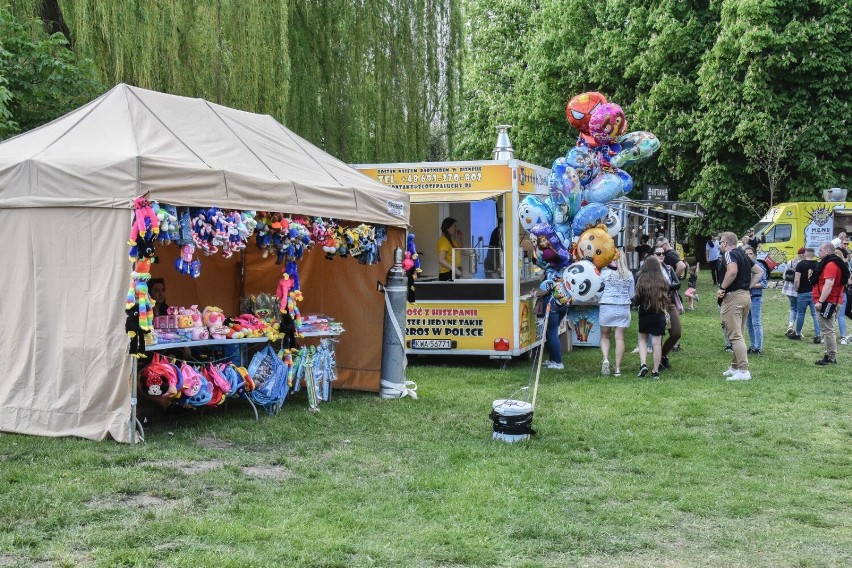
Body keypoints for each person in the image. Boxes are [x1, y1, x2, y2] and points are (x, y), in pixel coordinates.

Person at [717, 232, 762, 381]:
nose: (720, 246)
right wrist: (747, 286)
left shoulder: (729, 254)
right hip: (745, 297)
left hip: (733, 297)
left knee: (735, 335)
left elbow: (732, 271)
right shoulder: (743, 254)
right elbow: (759, 271)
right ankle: (734, 367)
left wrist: (722, 288)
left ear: (724, 243)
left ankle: (743, 371)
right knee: (739, 333)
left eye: (720, 243)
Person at [811, 241, 850, 365]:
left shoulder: (831, 264)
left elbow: (829, 283)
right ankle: (829, 354)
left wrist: (821, 301)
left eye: (821, 250)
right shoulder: (833, 263)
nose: (818, 252)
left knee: (828, 330)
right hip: (833, 300)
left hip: (828, 301)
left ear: (827, 251)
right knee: (828, 329)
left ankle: (831, 356)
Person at [598, 253, 635, 377]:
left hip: (607, 305)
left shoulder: (604, 273)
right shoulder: (629, 275)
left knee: (605, 335)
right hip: (623, 307)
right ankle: (618, 368)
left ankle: (605, 358)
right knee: (619, 338)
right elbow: (631, 294)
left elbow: (599, 291)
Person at [633, 254, 669, 379]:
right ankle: (655, 370)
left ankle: (643, 364)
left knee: (642, 340)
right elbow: (666, 298)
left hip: (644, 313)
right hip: (659, 313)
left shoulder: (641, 280)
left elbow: (636, 299)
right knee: (657, 343)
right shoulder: (663, 281)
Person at [651, 241, 682, 370]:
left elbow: (678, 283)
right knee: (659, 335)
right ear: (652, 255)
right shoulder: (649, 270)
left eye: (663, 253)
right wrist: (667, 286)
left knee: (676, 333)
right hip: (656, 303)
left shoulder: (668, 268)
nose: (661, 256)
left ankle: (662, 356)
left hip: (669, 303)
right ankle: (658, 363)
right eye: (658, 254)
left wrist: (663, 286)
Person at [533, 268, 570, 369]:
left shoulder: (549, 280)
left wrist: (534, 293)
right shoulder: (566, 278)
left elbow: (542, 292)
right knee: (551, 332)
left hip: (552, 305)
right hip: (564, 305)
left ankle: (558, 362)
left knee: (552, 332)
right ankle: (552, 359)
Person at [790, 248, 820, 342]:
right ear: (813, 254)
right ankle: (818, 335)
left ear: (805, 254)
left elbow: (796, 280)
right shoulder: (818, 264)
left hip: (803, 292)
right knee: (815, 314)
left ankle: (798, 333)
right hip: (814, 292)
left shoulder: (800, 264)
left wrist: (797, 288)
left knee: (801, 313)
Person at [744, 246, 767, 355]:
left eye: (750, 254)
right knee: (748, 323)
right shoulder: (743, 265)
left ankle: (759, 347)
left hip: (755, 297)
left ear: (755, 255)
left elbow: (764, 284)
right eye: (746, 254)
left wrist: (750, 286)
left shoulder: (759, 266)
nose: (748, 256)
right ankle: (752, 346)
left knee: (756, 322)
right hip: (746, 298)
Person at [782, 248, 805, 337]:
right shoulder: (804, 264)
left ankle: (790, 325)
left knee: (793, 308)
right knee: (800, 311)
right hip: (799, 289)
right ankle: (799, 330)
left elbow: (784, 275)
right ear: (803, 254)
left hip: (789, 289)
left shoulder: (791, 262)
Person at [833, 235, 851, 344]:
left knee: (831, 316)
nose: (846, 245)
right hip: (842, 292)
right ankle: (843, 337)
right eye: (845, 243)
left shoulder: (830, 266)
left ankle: (826, 335)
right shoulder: (845, 267)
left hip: (834, 293)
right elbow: (849, 281)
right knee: (840, 316)